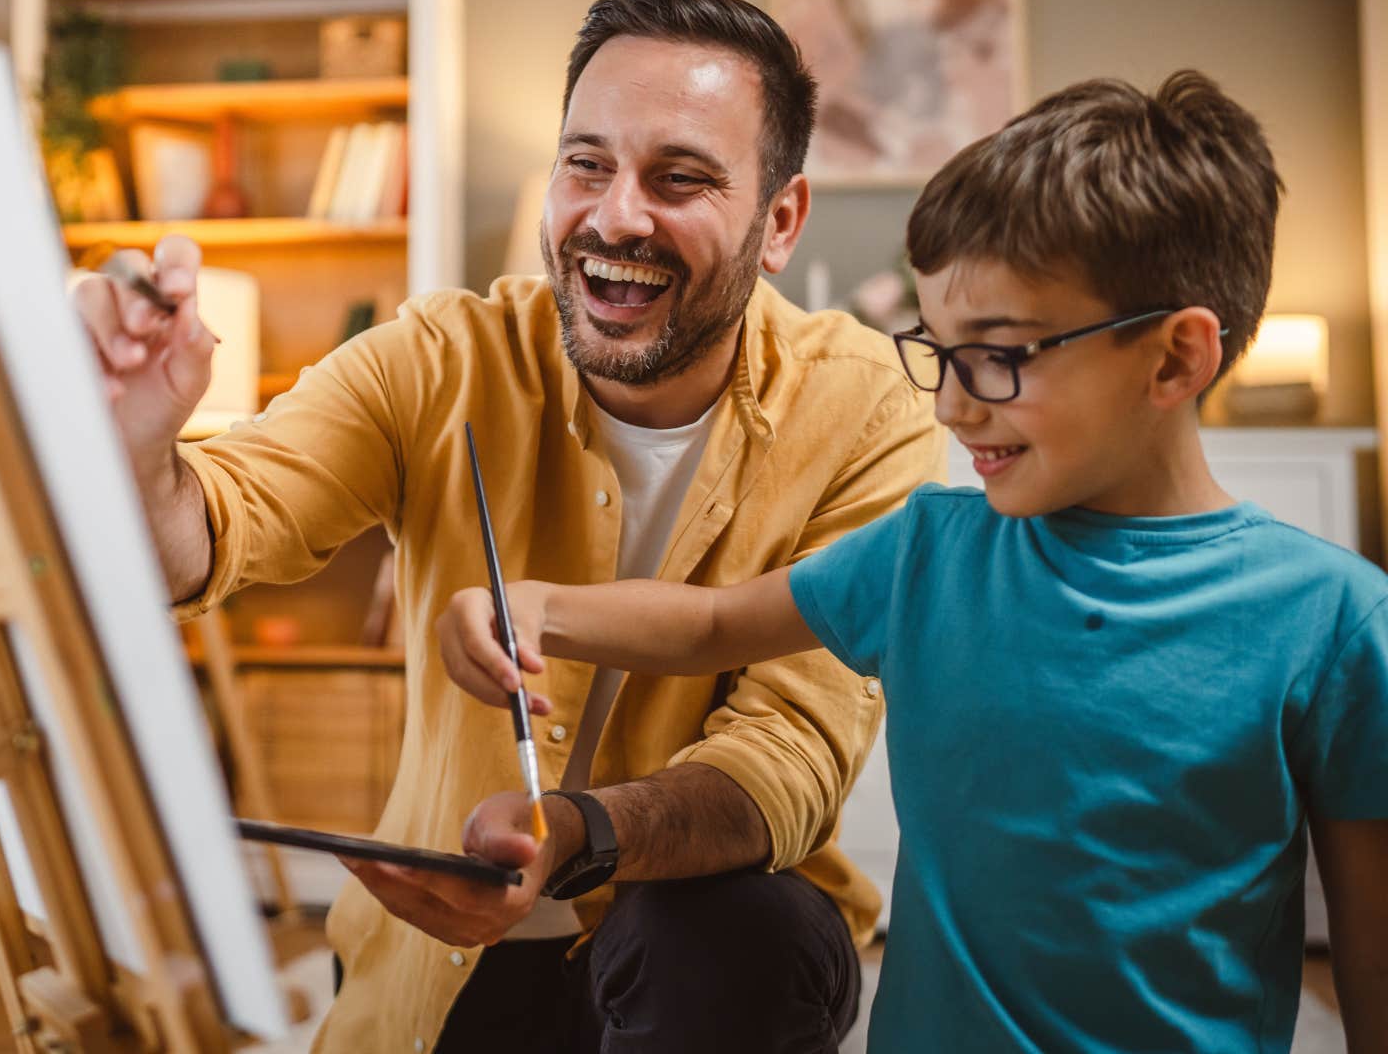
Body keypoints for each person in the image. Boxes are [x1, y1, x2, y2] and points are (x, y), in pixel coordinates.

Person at [438, 70, 1388, 1049]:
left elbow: (1371, 958)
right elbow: (714, 622)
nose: (952, 404)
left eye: (999, 355)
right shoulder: (932, 550)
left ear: (1175, 359)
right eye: (939, 349)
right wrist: (539, 607)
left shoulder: (1332, 623)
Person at [74, 0, 942, 1050]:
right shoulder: (440, 357)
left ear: (782, 220)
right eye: (586, 163)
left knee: (719, 936)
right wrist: (140, 442)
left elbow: (790, 759)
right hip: (447, 945)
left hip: (709, 933)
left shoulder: (871, 408)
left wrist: (578, 834)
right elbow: (208, 533)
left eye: (680, 178)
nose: (616, 214)